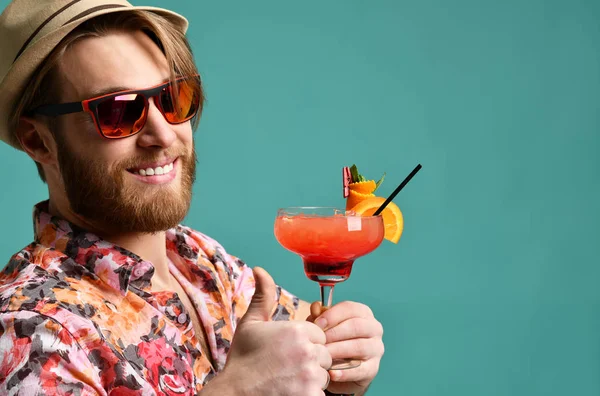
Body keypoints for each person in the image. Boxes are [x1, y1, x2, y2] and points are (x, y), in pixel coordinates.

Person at [0, 1, 384, 395]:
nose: (164, 134)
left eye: (172, 99)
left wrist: (341, 364)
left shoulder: (199, 259)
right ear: (37, 139)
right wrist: (236, 391)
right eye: (115, 112)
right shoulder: (32, 331)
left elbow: (304, 362)